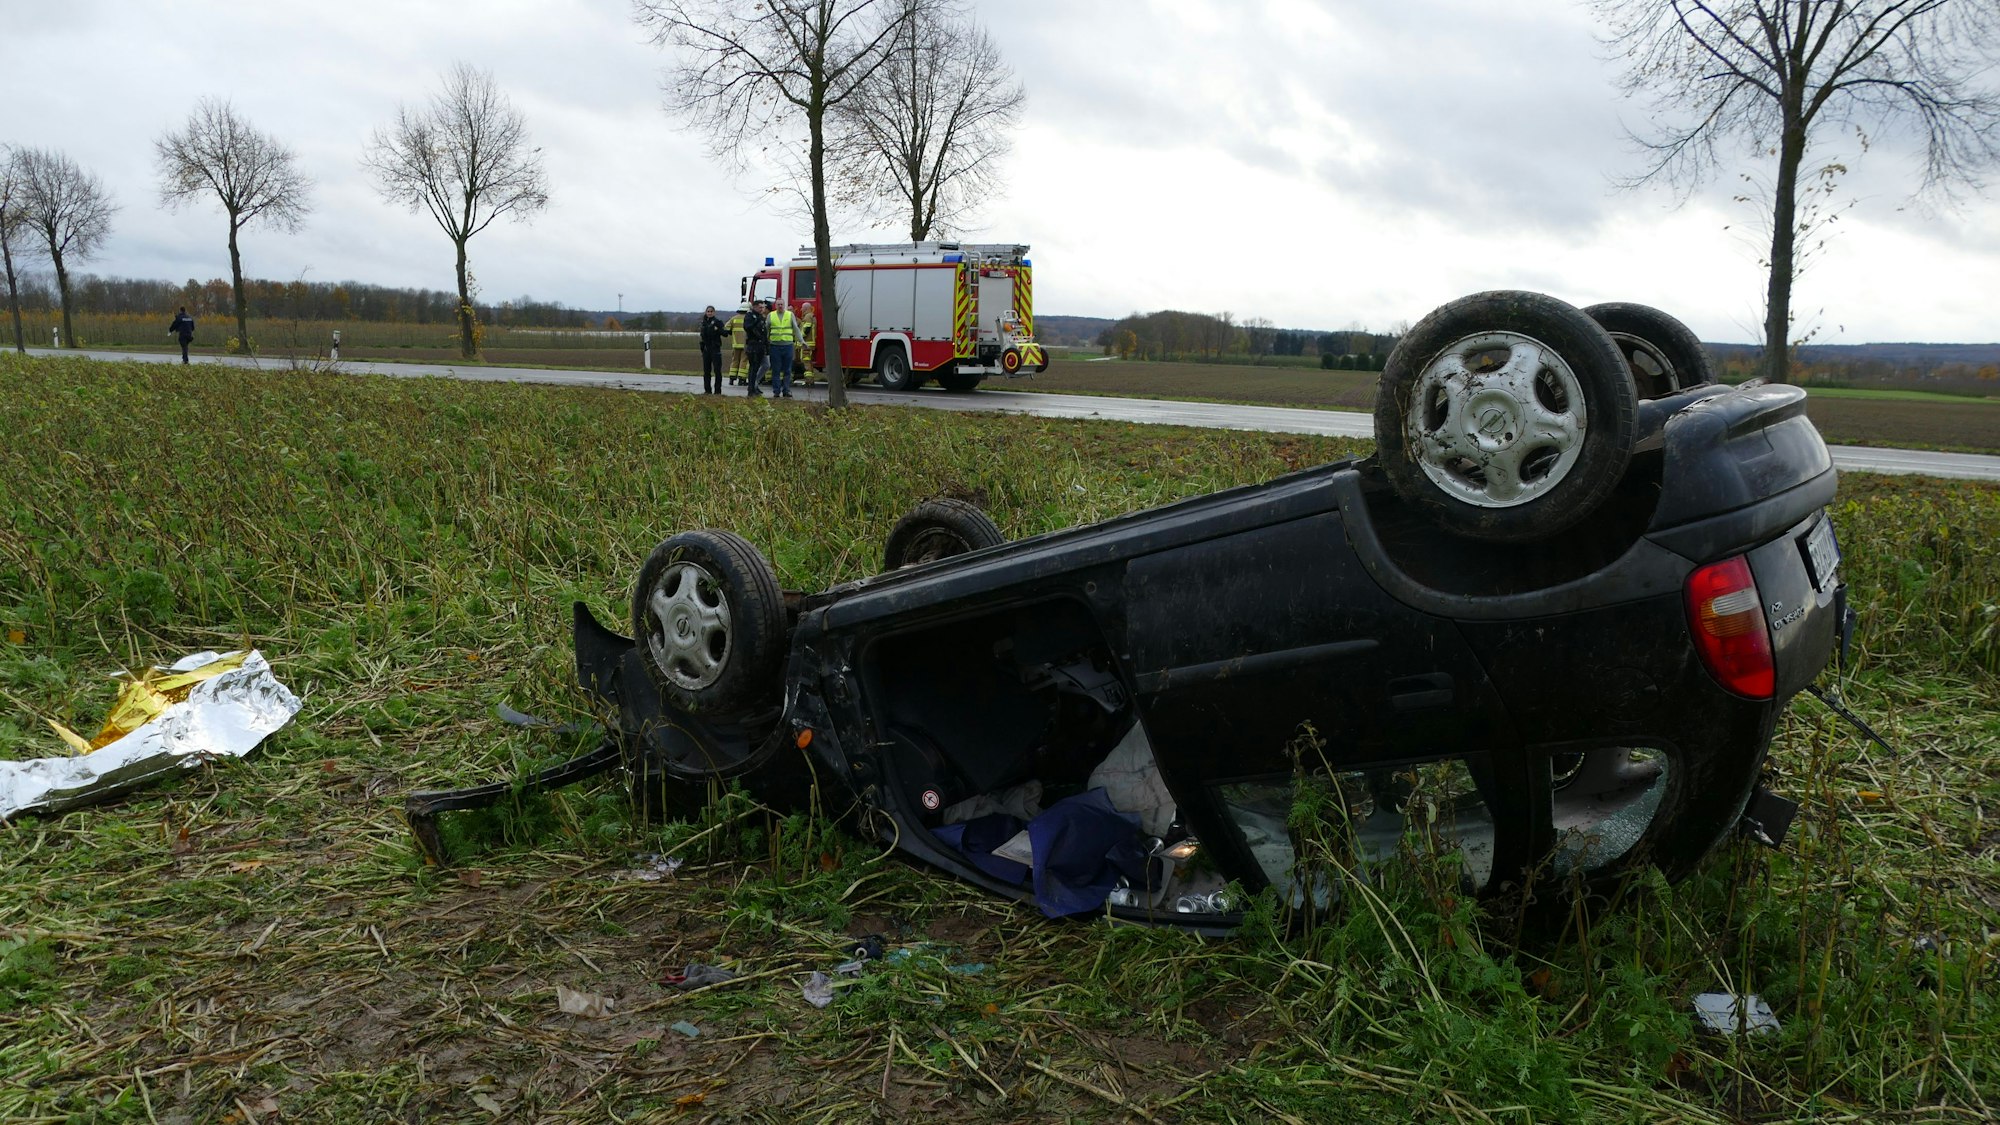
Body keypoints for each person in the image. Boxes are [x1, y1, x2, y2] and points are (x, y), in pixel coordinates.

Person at [766, 300, 797, 399]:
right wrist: (765, 342)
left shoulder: (790, 315)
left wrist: (802, 341)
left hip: (788, 345)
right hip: (775, 346)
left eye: (782, 304)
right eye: (778, 304)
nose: (780, 306)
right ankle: (776, 391)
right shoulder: (771, 315)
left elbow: (796, 329)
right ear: (775, 305)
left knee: (787, 370)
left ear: (784, 305)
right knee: (776, 370)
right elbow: (766, 330)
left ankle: (786, 390)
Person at [742, 299, 770, 397]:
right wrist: (756, 321)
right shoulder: (750, 316)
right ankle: (751, 389)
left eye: (763, 307)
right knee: (753, 368)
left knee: (766, 365)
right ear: (754, 307)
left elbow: (764, 333)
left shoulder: (761, 317)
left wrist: (767, 346)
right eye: (760, 307)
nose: (762, 309)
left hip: (761, 345)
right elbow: (747, 327)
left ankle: (755, 385)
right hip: (753, 345)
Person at [698, 305, 726, 394]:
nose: (709, 313)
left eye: (711, 311)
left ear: (714, 312)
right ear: (706, 312)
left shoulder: (718, 322)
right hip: (706, 349)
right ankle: (707, 390)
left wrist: (717, 330)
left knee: (717, 371)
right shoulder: (703, 322)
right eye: (708, 311)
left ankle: (717, 391)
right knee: (706, 371)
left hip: (715, 348)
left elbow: (725, 333)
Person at [795, 304, 818, 387]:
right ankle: (810, 380)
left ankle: (809, 381)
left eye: (802, 308)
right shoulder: (811, 316)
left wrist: (800, 337)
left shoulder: (808, 316)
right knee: (808, 362)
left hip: (806, 344)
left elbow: (807, 328)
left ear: (806, 308)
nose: (801, 309)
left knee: (806, 362)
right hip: (809, 343)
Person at [726, 303, 748, 385]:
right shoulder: (748, 318)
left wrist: (732, 333)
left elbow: (726, 328)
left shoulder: (733, 319)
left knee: (735, 360)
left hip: (736, 344)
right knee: (744, 361)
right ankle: (741, 379)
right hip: (745, 344)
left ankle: (732, 378)